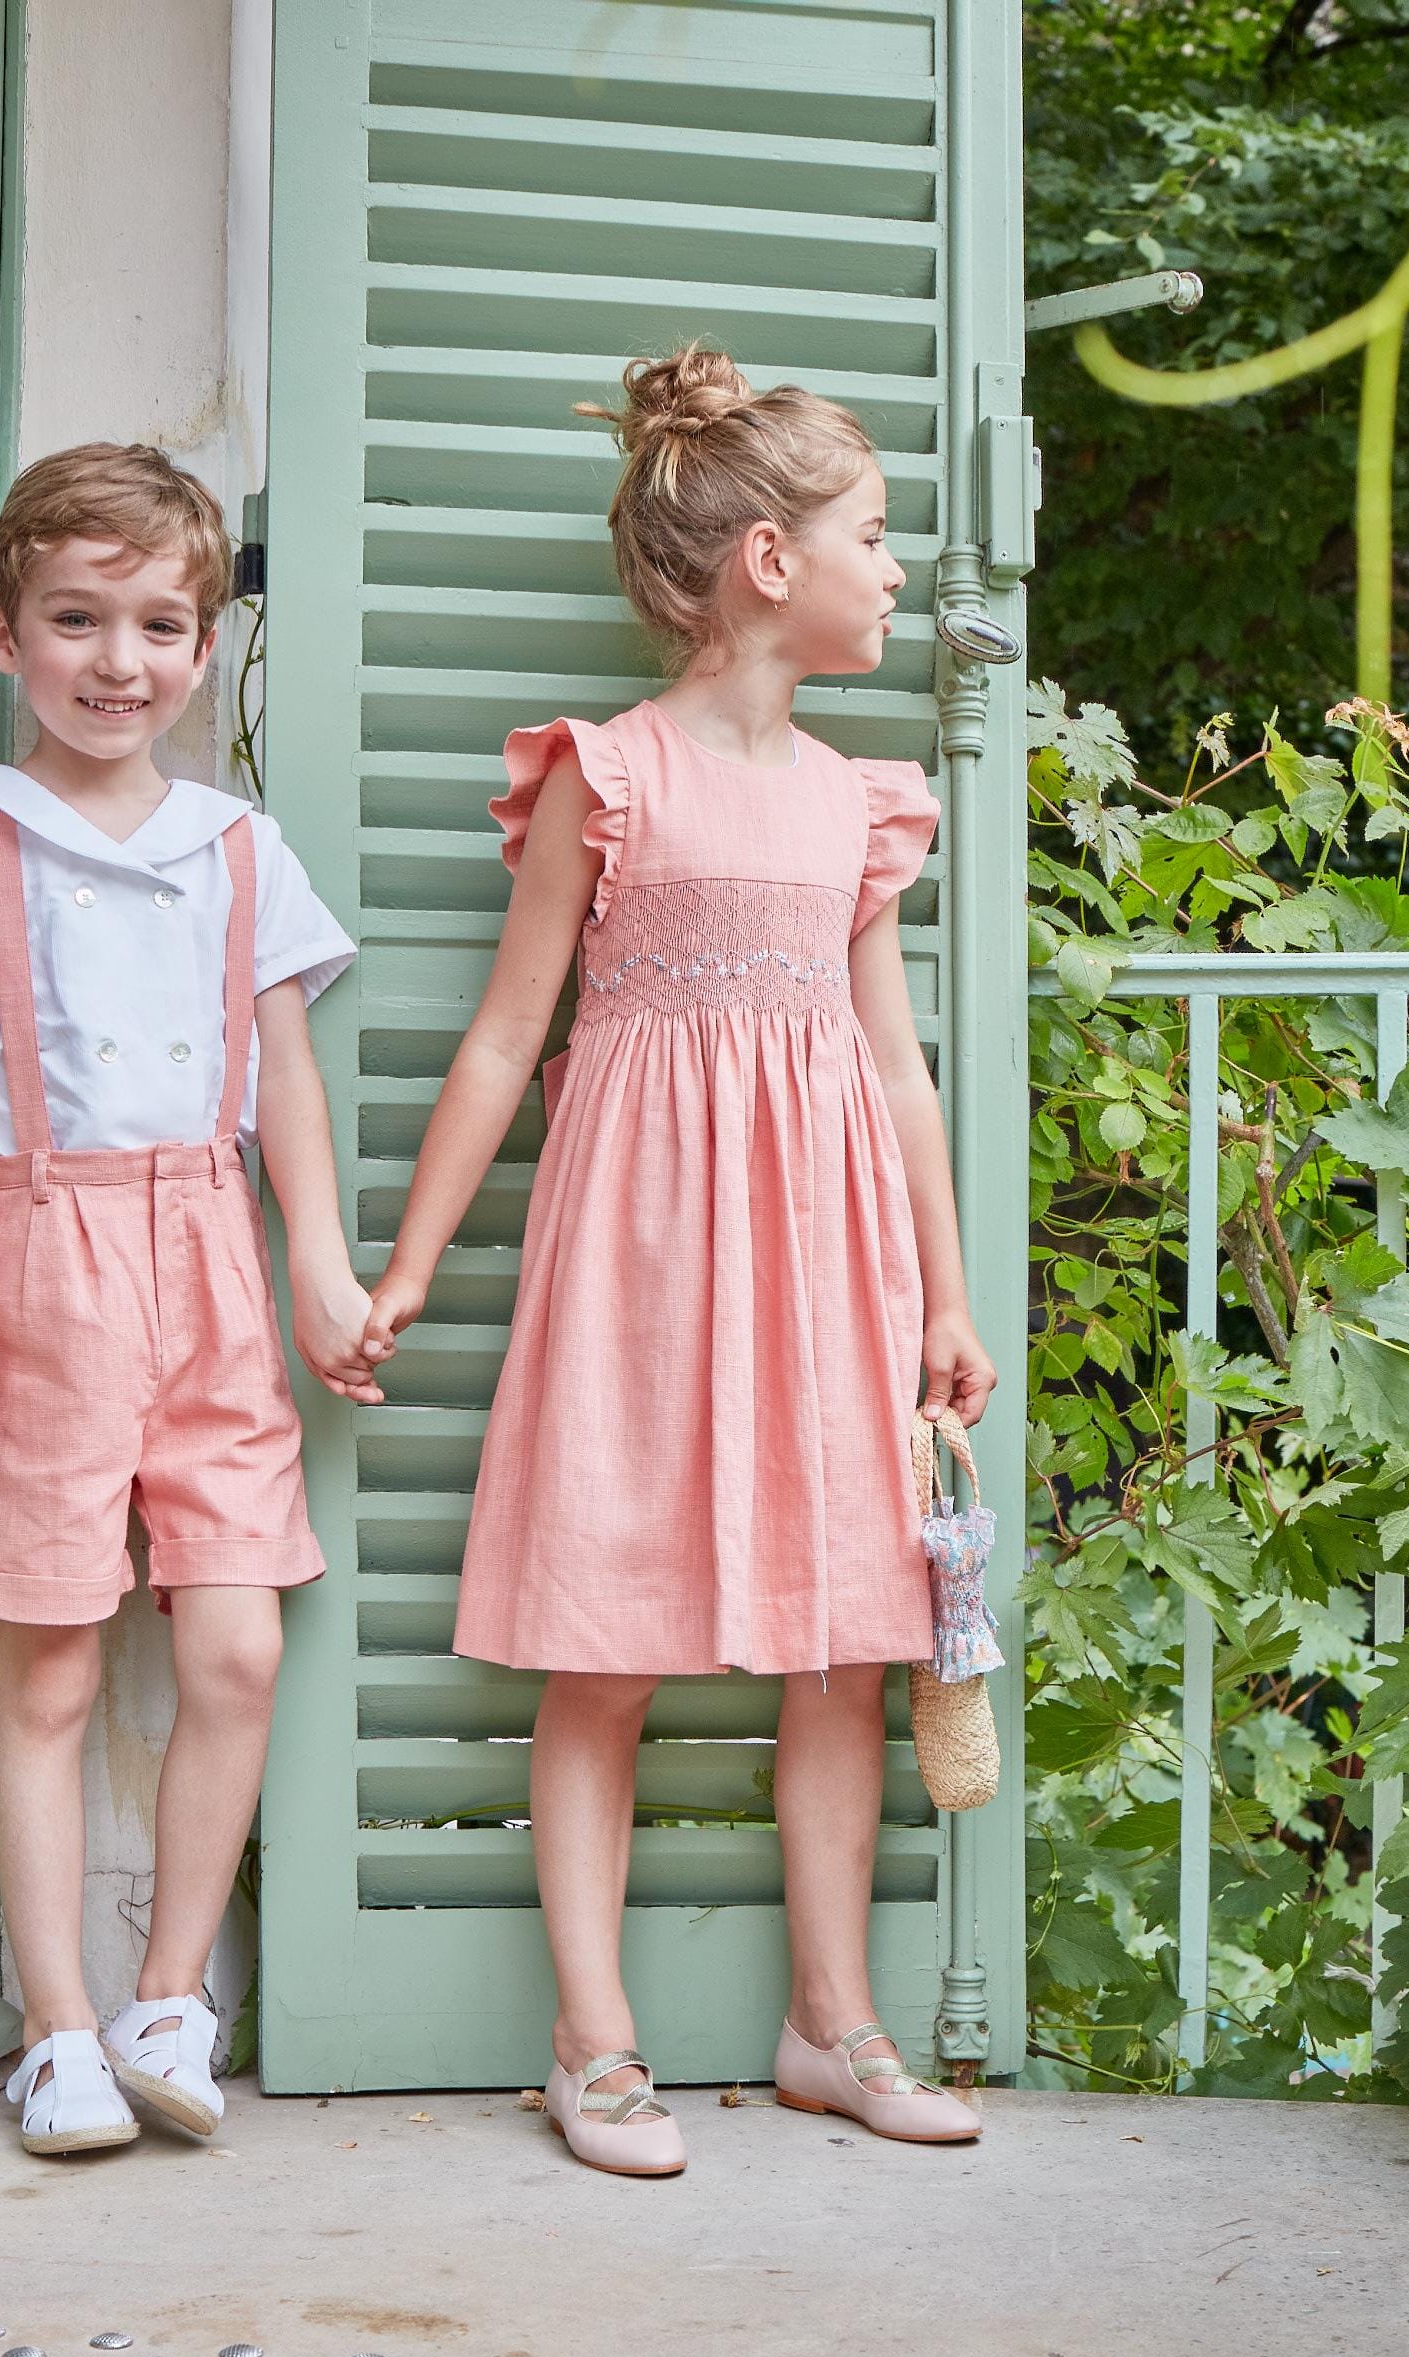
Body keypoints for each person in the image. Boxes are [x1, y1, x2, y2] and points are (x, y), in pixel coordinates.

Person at [363, 348, 998, 2176]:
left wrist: (947, 1295)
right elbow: (502, 1039)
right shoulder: (609, 778)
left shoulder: (856, 803)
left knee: (847, 1653)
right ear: (771, 562)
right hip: (639, 1260)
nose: (903, 572)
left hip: (832, 1259)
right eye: (879, 538)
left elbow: (895, 1067)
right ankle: (596, 2040)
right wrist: (406, 1266)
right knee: (606, 1645)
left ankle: (831, 2021)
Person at [0, 443, 377, 2158]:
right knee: (54, 1665)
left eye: (159, 623)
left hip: (211, 1256)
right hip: (40, 1255)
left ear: (205, 644)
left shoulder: (240, 849)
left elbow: (279, 1074)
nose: (117, 660)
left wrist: (316, 1265)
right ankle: (55, 2027)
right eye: (77, 620)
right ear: (7, 635)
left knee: (236, 1643)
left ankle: (170, 1999)